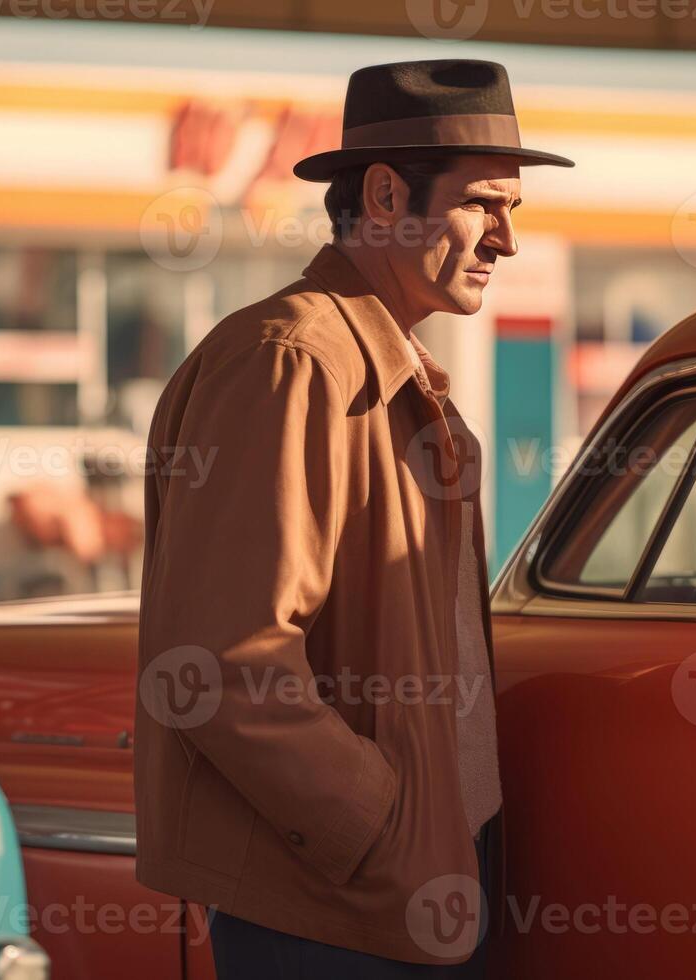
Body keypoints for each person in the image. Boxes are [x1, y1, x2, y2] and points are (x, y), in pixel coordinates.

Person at [134, 59, 573, 978]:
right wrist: (379, 825)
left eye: (512, 212)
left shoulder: (380, 366)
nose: (506, 240)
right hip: (336, 911)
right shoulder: (293, 362)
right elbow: (225, 660)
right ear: (382, 194)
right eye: (481, 205)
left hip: (401, 893)